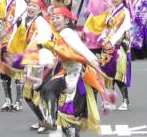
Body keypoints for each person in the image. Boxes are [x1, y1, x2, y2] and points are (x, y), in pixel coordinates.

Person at [40, 7, 104, 137]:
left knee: (68, 121)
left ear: (66, 21)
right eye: (52, 18)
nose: (54, 21)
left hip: (76, 79)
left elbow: (81, 49)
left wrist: (93, 60)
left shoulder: (67, 32)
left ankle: (51, 120)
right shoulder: (61, 34)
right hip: (68, 75)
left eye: (58, 18)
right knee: (48, 90)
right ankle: (51, 119)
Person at [19, 0, 55, 134]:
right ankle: (43, 120)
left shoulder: (41, 23)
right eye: (29, 5)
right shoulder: (28, 21)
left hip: (40, 62)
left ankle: (46, 121)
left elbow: (43, 42)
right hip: (32, 61)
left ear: (40, 10)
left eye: (35, 6)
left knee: (30, 94)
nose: (30, 8)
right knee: (34, 94)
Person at [97, 0, 132, 110]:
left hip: (117, 47)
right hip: (107, 47)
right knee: (106, 74)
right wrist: (101, 38)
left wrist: (111, 42)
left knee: (118, 74)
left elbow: (122, 29)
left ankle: (125, 101)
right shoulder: (111, 10)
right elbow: (106, 28)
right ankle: (109, 101)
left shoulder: (125, 12)